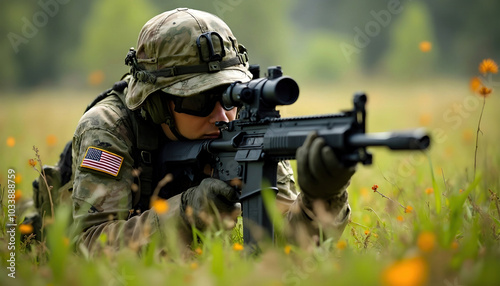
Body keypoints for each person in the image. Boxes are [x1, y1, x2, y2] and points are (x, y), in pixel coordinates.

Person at [71, 7, 355, 254]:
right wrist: (187, 214)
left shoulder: (245, 129)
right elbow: (89, 247)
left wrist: (323, 197)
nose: (221, 116)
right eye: (198, 99)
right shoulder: (109, 127)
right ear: (156, 102)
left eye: (229, 94)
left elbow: (290, 244)